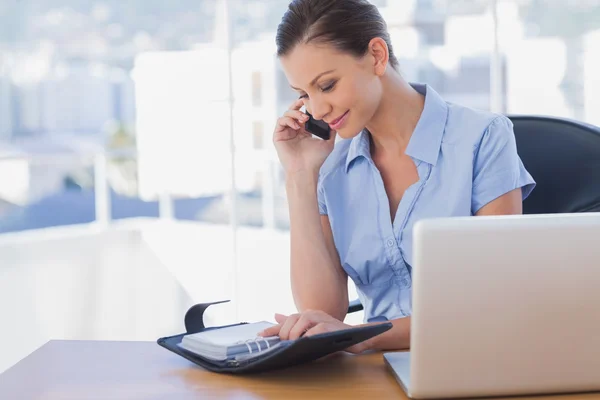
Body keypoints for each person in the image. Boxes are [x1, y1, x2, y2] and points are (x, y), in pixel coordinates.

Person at [258, 0, 535, 353]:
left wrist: (362, 337)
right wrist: (299, 176)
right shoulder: (331, 165)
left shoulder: (482, 138)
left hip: (472, 360)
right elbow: (322, 314)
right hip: (373, 373)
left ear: (376, 56)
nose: (316, 110)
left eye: (326, 86)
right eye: (303, 95)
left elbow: (496, 301)